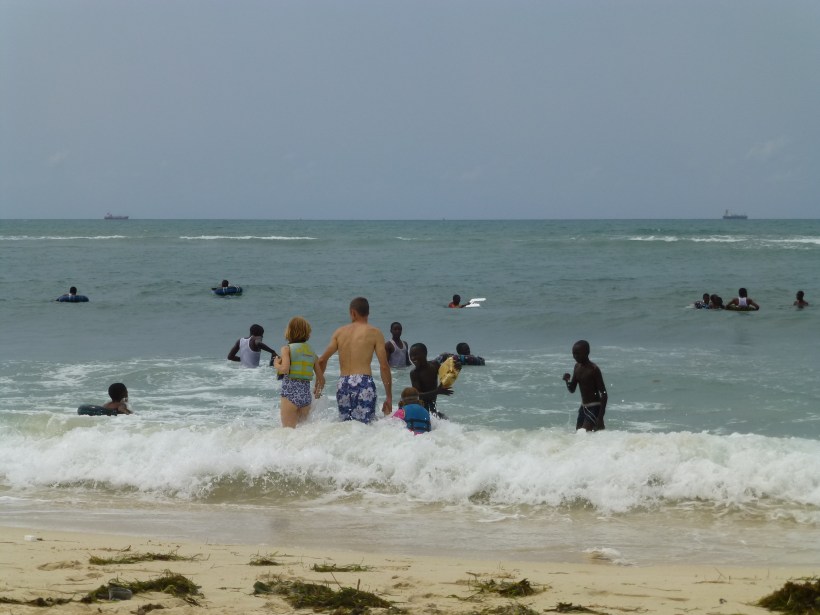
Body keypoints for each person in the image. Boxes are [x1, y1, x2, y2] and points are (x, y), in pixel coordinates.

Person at [315, 297, 392, 423]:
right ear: (368, 313)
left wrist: (318, 387)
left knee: (346, 426)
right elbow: (384, 366)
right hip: (364, 383)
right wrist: (389, 397)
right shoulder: (375, 332)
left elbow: (322, 360)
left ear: (353, 313)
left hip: (343, 383)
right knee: (365, 427)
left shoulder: (339, 332)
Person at [273, 316, 323, 428]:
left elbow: (285, 369)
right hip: (305, 396)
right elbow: (321, 379)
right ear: (307, 332)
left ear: (289, 331)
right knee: (302, 432)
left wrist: (276, 364)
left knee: (288, 432)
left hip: (290, 394)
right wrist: (317, 392)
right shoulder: (311, 352)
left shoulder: (287, 349)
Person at [562, 340, 607, 432]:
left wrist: (600, 417)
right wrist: (567, 381)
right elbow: (572, 389)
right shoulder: (577, 367)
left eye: (578, 354)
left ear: (587, 353)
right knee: (579, 434)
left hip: (594, 407)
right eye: (573, 354)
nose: (575, 356)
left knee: (584, 434)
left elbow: (604, 393)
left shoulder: (593, 369)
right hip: (583, 408)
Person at [409, 342, 457, 419]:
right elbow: (418, 395)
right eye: (411, 356)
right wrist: (438, 391)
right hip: (421, 407)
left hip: (432, 403)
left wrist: (456, 368)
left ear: (425, 354)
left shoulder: (434, 365)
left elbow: (446, 375)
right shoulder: (414, 373)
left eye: (415, 354)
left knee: (444, 419)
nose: (413, 358)